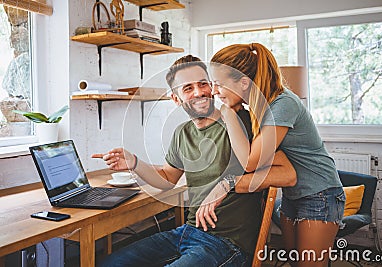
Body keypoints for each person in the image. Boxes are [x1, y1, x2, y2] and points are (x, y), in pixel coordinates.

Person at [93, 55, 296, 267]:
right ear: (176, 99)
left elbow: (288, 173)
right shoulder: (182, 133)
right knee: (111, 263)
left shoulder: (242, 123)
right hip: (187, 232)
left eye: (202, 84)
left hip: (227, 243)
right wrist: (135, 162)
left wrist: (229, 182)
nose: (199, 92)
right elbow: (168, 177)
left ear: (212, 86)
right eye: (188, 88)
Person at [208, 43, 345, 267]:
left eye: (219, 84)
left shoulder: (282, 104)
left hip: (321, 193)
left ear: (244, 82)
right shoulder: (259, 107)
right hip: (293, 195)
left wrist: (228, 114)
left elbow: (252, 161)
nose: (214, 91)